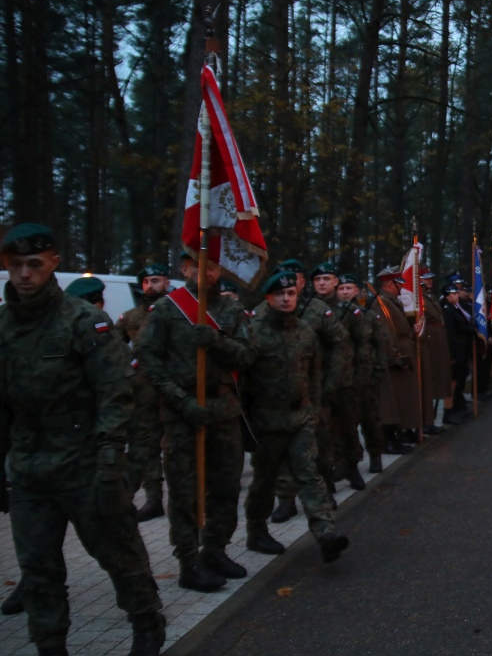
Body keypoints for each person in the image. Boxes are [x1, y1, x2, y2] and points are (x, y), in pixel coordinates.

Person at [0, 223, 166, 656]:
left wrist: (111, 460)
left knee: (117, 552)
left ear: (53, 263)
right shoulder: (4, 325)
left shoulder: (82, 321)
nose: (25, 274)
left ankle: (146, 625)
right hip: (29, 465)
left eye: (35, 264)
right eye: (16, 265)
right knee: (38, 570)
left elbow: (115, 393)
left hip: (84, 459)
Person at [138, 250, 253, 590]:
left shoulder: (231, 310)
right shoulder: (166, 309)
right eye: (199, 266)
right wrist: (180, 400)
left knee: (226, 485)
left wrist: (217, 341)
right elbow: (148, 358)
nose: (207, 273)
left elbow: (248, 356)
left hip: (223, 408)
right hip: (181, 411)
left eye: (213, 266)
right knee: (184, 489)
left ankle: (215, 550)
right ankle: (188, 562)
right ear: (185, 268)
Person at [241, 271, 349, 562]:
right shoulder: (253, 331)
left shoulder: (304, 331)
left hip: (300, 418)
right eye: (280, 294)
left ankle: (326, 533)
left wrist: (312, 409)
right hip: (266, 421)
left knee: (309, 475)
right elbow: (244, 382)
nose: (286, 299)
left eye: (290, 294)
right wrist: (247, 423)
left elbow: (313, 375)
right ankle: (256, 531)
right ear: (268, 298)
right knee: (265, 481)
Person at [263, 260, 350, 522]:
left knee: (319, 444)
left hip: (313, 390)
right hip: (275, 397)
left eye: (295, 279)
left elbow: (340, 345)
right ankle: (285, 500)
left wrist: (330, 383)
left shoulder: (317, 309)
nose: (288, 290)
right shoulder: (262, 313)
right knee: (280, 451)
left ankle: (324, 490)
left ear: (302, 282)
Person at [119, 263, 171, 524]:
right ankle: (153, 500)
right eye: (146, 281)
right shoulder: (130, 317)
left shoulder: (178, 312)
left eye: (156, 280)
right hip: (143, 392)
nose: (150, 286)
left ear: (167, 283)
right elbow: (112, 347)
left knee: (177, 448)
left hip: (174, 392)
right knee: (147, 447)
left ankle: (190, 500)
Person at [311, 262, 364, 491]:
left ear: (335, 282)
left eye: (326, 279)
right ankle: (326, 474)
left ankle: (352, 467)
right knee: (322, 432)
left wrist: (360, 378)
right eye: (317, 279)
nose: (322, 283)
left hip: (345, 380)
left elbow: (361, 345)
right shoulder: (307, 309)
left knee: (348, 427)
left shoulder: (347, 310)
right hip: (318, 381)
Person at [339, 275, 387, 473]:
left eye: (348, 288)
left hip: (366, 378)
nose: (345, 292)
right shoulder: (333, 315)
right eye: (341, 288)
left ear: (356, 291)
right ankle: (347, 461)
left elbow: (381, 345)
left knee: (370, 420)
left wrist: (378, 371)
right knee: (344, 424)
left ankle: (375, 455)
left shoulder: (369, 316)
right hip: (342, 379)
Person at [376, 267, 422, 449]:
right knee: (392, 399)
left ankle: (401, 431)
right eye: (399, 284)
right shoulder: (381, 303)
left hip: (402, 350)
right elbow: (384, 332)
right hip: (394, 355)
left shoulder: (392, 301)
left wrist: (411, 330)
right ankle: (389, 438)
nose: (401, 287)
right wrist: (394, 354)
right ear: (390, 284)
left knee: (403, 395)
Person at [418, 268, 453, 434]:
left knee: (439, 376)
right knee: (429, 379)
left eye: (430, 278)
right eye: (426, 279)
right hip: (430, 340)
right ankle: (426, 420)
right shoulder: (419, 298)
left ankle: (431, 418)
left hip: (438, 340)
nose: (429, 281)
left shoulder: (430, 296)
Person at [442, 280, 474, 422]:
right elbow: (450, 331)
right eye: (453, 294)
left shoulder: (457, 307)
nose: (457, 295)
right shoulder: (447, 309)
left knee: (461, 376)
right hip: (455, 348)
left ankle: (457, 404)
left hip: (462, 346)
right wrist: (451, 354)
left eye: (456, 293)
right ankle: (450, 409)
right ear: (447, 296)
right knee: (454, 379)